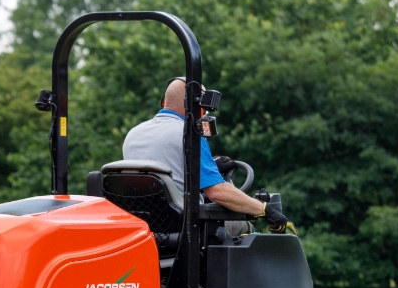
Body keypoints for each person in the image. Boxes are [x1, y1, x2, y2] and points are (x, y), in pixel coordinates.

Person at [123, 78, 293, 234]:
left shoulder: (133, 134)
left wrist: (209, 167)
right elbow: (217, 192)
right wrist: (264, 209)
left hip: (146, 229)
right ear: (196, 105)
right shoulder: (189, 135)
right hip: (186, 231)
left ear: (164, 101)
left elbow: (168, 172)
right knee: (244, 227)